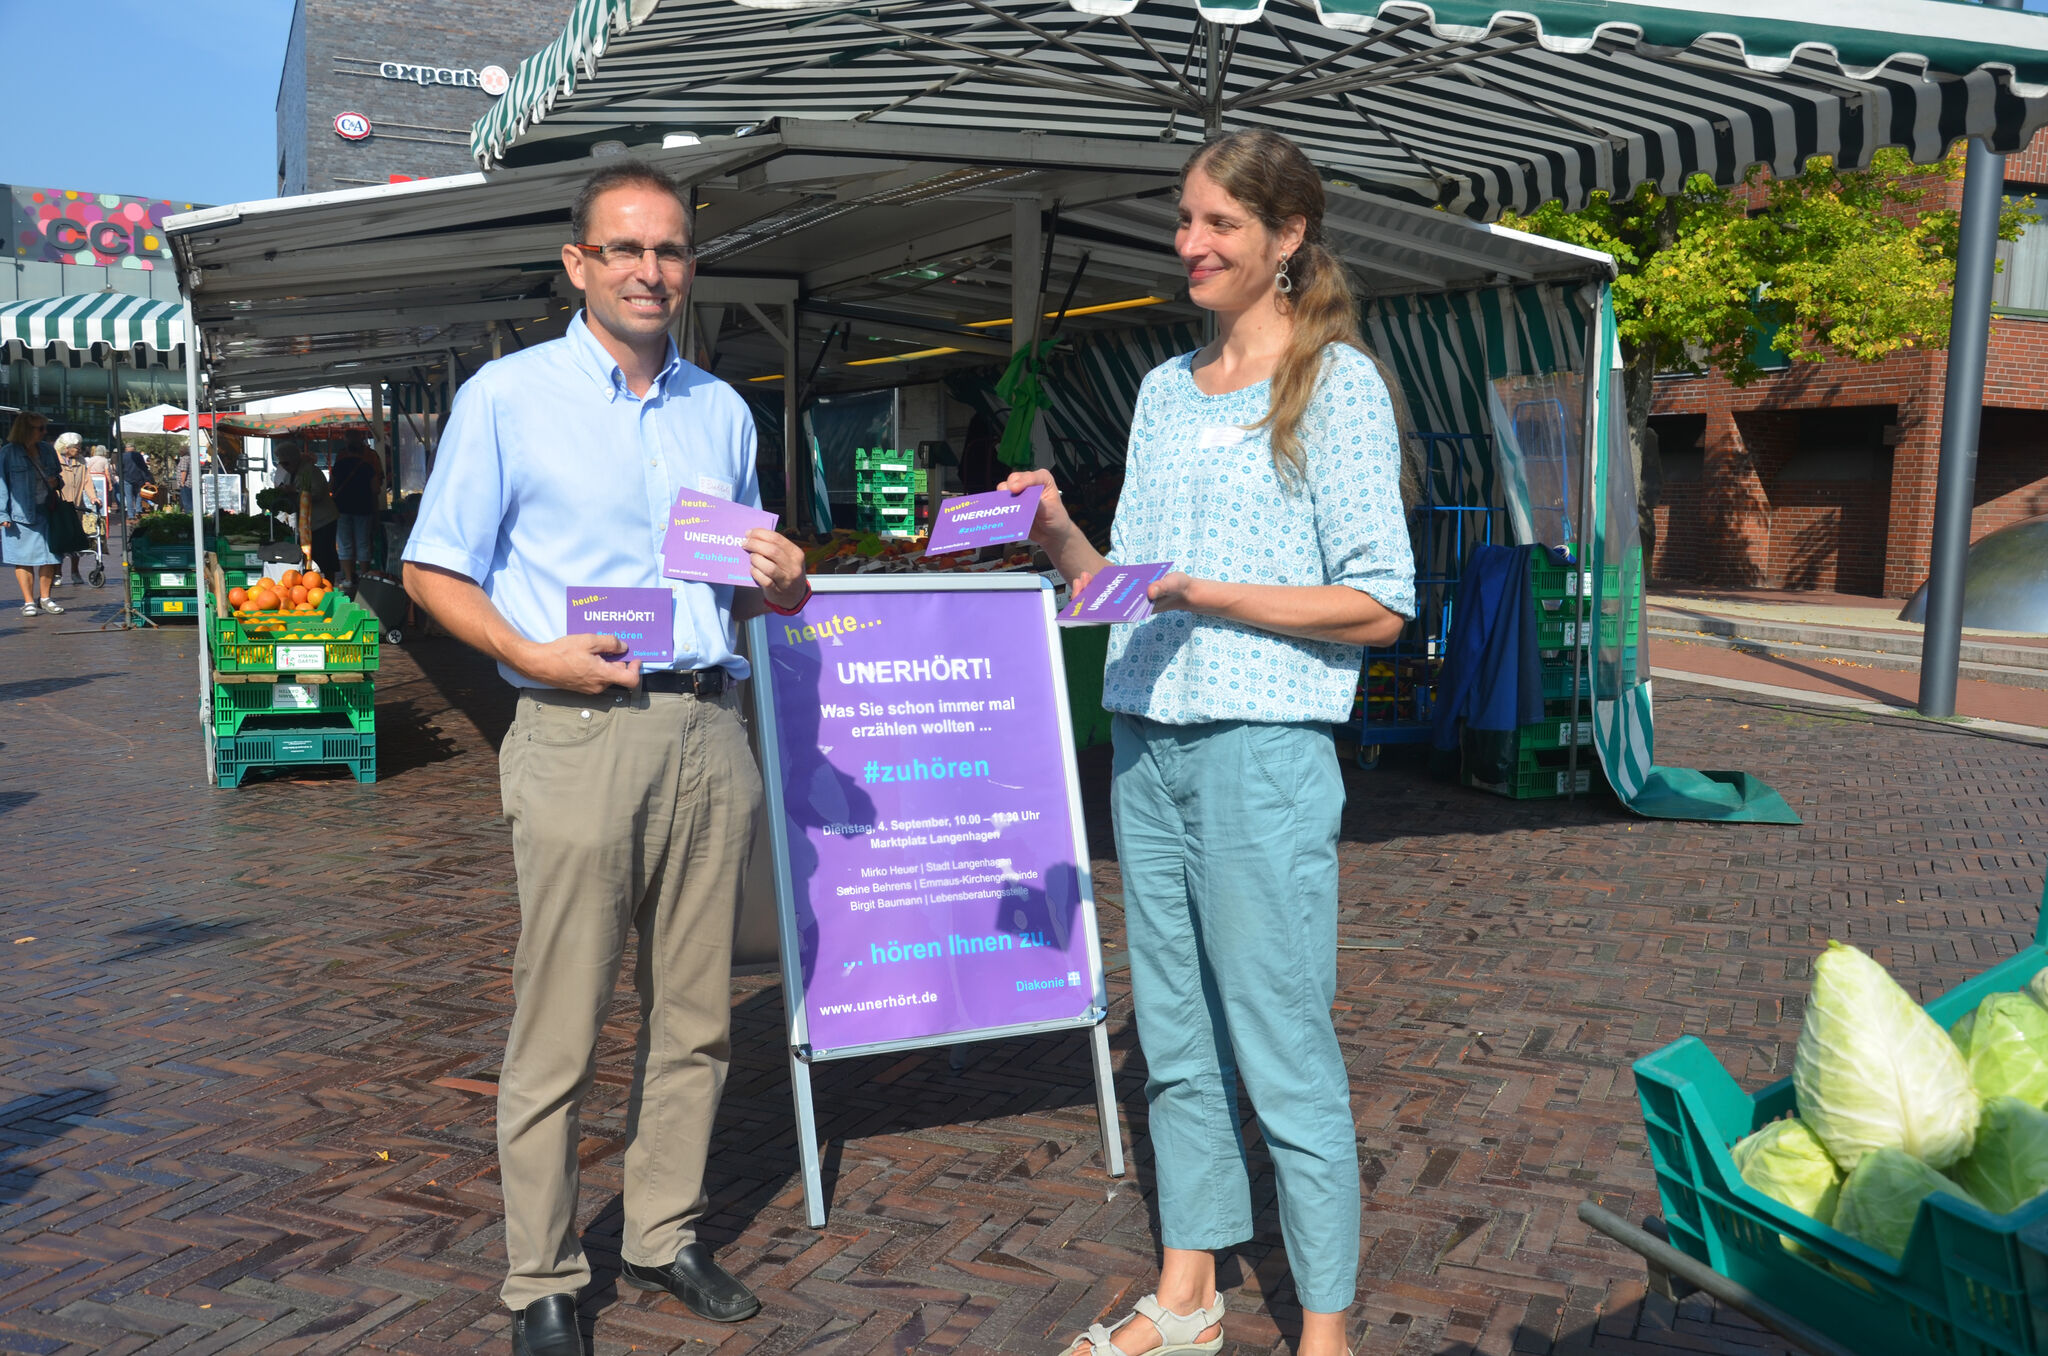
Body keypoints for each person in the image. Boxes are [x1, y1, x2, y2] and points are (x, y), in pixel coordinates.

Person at [1004, 131, 1414, 1356]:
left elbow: (1381, 604)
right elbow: (1121, 591)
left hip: (1262, 751)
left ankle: (1325, 1331)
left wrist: (1205, 592)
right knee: (1174, 1035)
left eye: (1217, 225)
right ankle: (1187, 1294)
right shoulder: (1160, 391)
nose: (1188, 244)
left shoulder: (1337, 387)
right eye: (1183, 220)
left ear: (1284, 240)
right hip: (1148, 742)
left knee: (1281, 1040)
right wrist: (1060, 539)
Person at [402, 159, 808, 1356]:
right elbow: (434, 571)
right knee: (560, 1021)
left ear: (689, 266)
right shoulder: (507, 397)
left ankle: (663, 1231)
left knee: (694, 1015)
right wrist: (535, 651)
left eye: (670, 249)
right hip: (576, 731)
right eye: (624, 249)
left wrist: (783, 583)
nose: (650, 270)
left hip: (704, 726)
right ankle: (540, 1277)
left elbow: (741, 583)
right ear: (577, 264)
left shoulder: (720, 412)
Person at [1, 412, 66, 616]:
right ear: (26, 429)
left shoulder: (47, 450)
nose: (45, 432)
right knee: (23, 558)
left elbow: (58, 477)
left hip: (47, 510)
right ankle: (29, 601)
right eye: (41, 428)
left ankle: (45, 598)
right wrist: (2, 514)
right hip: (20, 514)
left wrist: (56, 482)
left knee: (50, 556)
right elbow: (1, 484)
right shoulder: (8, 453)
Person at [274, 441, 340, 578]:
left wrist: (294, 491)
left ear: (294, 459)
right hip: (308, 524)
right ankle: (312, 582)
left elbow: (317, 493)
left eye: (286, 463)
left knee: (324, 556)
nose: (284, 467)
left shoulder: (309, 471)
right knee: (309, 556)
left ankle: (327, 584)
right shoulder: (292, 473)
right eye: (282, 464)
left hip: (322, 521)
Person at [329, 431, 383, 589]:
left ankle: (348, 578)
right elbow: (376, 489)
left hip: (342, 509)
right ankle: (365, 577)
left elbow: (331, 486)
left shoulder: (339, 465)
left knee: (345, 544)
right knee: (363, 543)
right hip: (364, 508)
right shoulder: (368, 465)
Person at [55, 433, 90, 585]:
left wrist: (93, 496)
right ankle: (57, 573)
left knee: (77, 542)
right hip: (59, 506)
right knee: (59, 542)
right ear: (66, 448)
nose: (79, 449)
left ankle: (75, 572)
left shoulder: (81, 460)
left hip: (77, 507)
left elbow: (87, 480)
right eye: (77, 447)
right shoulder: (54, 459)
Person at [121, 443, 152, 521]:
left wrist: (122, 476)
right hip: (138, 478)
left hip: (127, 478)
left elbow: (119, 468)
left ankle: (131, 514)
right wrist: (147, 479)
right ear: (134, 448)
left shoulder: (123, 456)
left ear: (126, 448)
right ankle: (138, 510)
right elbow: (143, 467)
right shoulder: (138, 455)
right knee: (138, 495)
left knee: (129, 497)